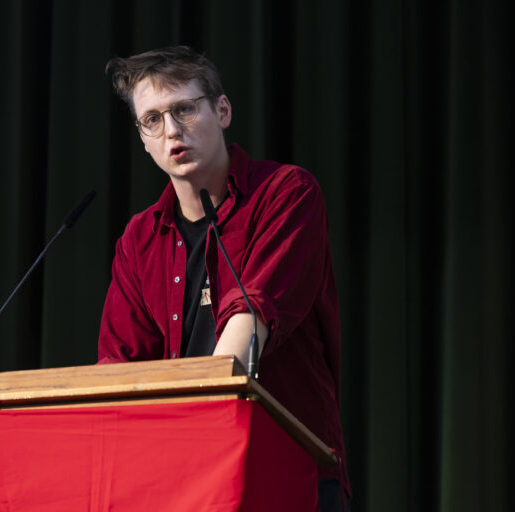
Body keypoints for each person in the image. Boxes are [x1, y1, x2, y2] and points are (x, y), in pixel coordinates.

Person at [98, 46, 350, 510]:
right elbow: (119, 370)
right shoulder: (139, 239)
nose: (171, 130)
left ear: (222, 110)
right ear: (142, 138)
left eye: (184, 109)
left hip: (285, 473)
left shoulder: (287, 194)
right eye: (152, 119)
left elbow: (246, 326)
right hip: (184, 481)